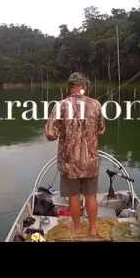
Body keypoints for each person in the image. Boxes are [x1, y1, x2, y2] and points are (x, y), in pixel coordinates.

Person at [44, 72, 105, 236]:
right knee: (91, 196)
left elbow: (50, 134)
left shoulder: (61, 105)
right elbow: (101, 130)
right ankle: (93, 228)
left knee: (73, 196)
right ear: (84, 86)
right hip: (91, 160)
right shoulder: (96, 104)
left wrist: (61, 131)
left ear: (70, 86)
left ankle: (77, 228)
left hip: (69, 161)